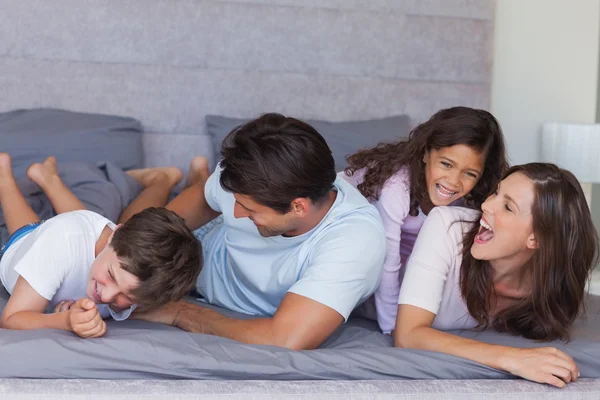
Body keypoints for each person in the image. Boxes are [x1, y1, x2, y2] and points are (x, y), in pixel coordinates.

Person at [134, 113, 386, 350]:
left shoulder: (354, 241)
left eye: (249, 209)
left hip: (205, 288)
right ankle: (164, 179)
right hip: (201, 249)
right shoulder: (250, 176)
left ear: (298, 207)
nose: (234, 213)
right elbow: (176, 215)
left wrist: (181, 312)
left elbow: (285, 338)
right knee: (130, 229)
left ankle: (174, 178)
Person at [394, 163, 598, 388]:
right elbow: (407, 335)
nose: (487, 205)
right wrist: (513, 358)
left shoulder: (550, 293)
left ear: (536, 239)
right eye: (496, 192)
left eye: (508, 207)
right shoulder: (448, 225)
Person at [0, 153, 202, 338]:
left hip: (80, 232)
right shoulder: (59, 242)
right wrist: (63, 321)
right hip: (31, 243)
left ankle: (49, 178)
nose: (105, 296)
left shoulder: (144, 278)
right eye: (112, 275)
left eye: (127, 296)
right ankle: (4, 179)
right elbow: (11, 319)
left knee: (77, 222)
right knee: (28, 234)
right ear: (115, 234)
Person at [342, 106, 508, 333]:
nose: (453, 181)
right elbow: (387, 263)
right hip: (341, 238)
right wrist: (394, 329)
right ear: (425, 153)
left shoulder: (470, 201)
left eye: (469, 173)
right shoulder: (396, 188)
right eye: (446, 164)